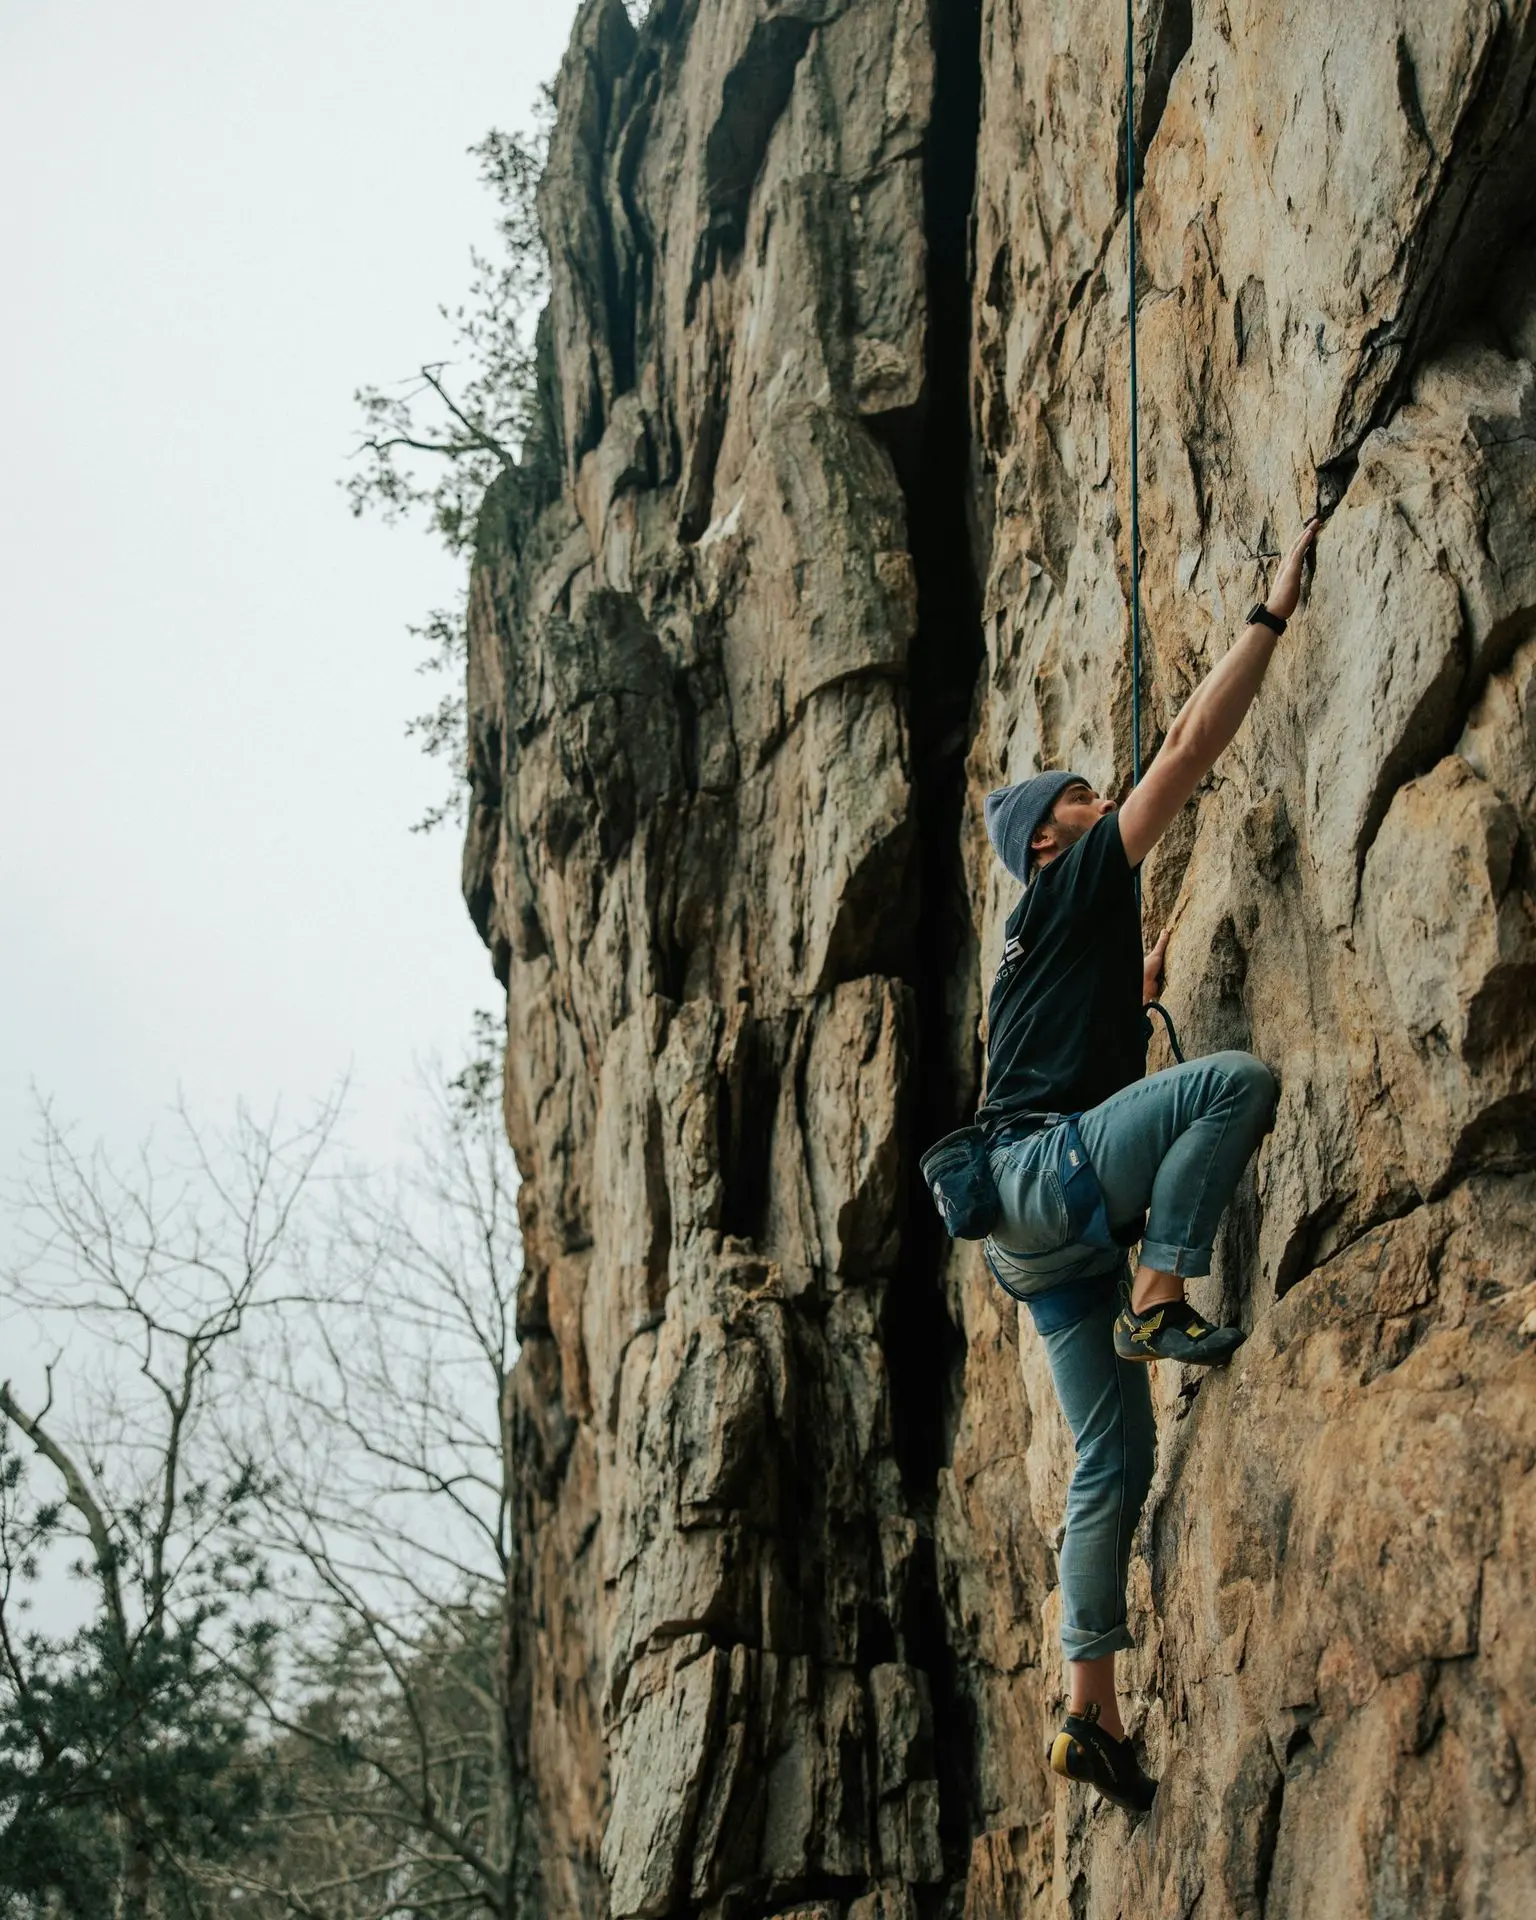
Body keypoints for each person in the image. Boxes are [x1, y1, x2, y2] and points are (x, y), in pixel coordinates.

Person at [978, 518, 1322, 1813]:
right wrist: (1271, 616)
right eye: (1074, 794)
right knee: (1235, 1084)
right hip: (1057, 1187)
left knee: (1110, 1459)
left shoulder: (1035, 952)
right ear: (1050, 844)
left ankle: (1091, 1718)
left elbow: (1075, 1043)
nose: (1093, 793)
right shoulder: (1064, 885)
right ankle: (1166, 1290)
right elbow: (1187, 750)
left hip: (1028, 1229)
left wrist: (1142, 984)